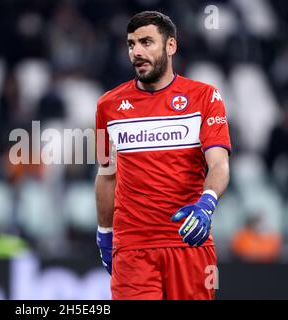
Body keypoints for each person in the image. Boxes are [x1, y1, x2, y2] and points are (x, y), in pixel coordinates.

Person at [94, 11, 231, 300]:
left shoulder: (205, 97)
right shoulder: (108, 106)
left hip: (190, 243)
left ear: (171, 46)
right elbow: (107, 175)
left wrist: (207, 203)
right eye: (132, 44)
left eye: (146, 42)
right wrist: (104, 233)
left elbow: (218, 163)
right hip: (133, 249)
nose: (137, 52)